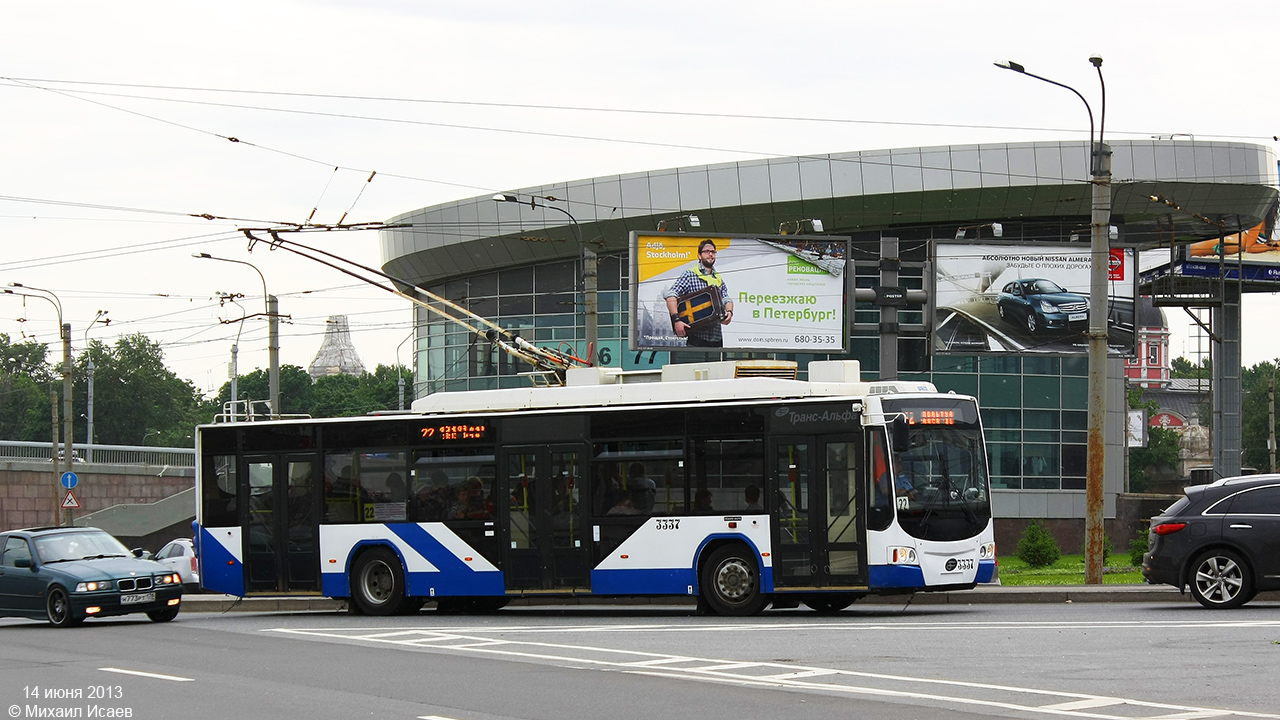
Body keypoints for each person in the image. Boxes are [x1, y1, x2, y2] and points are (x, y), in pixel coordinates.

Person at [664, 239, 734, 348]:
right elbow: (670, 296)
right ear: (699, 255)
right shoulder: (690, 275)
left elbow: (727, 299)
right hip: (696, 339)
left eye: (713, 252)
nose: (710, 254)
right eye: (706, 251)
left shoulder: (718, 278)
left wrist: (729, 312)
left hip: (716, 339)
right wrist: (676, 320)